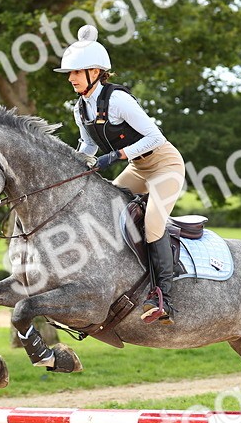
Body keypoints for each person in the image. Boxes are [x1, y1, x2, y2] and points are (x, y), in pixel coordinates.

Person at [55, 24, 185, 324]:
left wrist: (117, 155)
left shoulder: (118, 100)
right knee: (106, 212)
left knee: (153, 223)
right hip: (138, 169)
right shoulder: (80, 108)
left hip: (164, 165)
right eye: (70, 73)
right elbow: (88, 145)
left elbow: (156, 137)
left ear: (96, 72)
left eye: (77, 72)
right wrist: (73, 165)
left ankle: (163, 297)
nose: (71, 78)